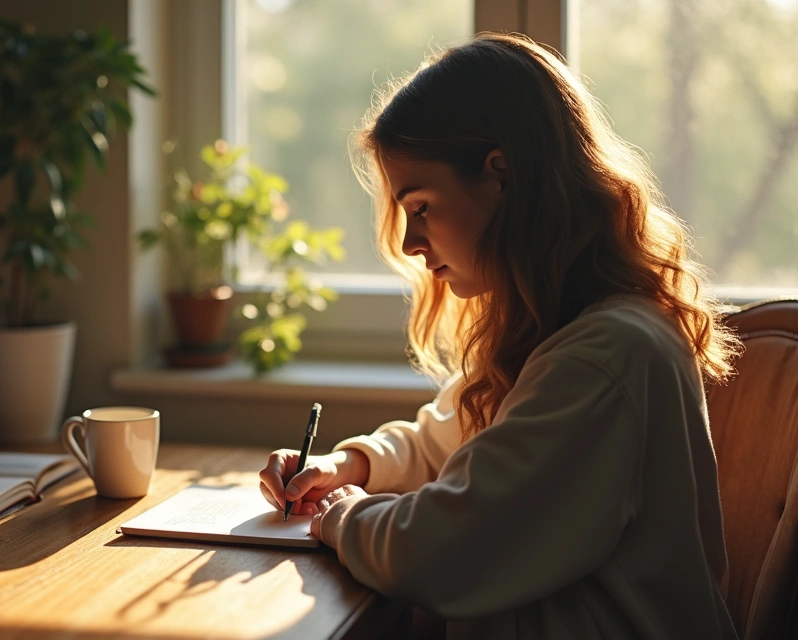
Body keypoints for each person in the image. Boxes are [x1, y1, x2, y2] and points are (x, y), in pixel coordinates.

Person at [258, 32, 742, 639]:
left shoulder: (604, 356)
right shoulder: (560, 331)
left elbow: (440, 553)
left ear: (502, 174)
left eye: (423, 206)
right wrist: (349, 465)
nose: (410, 242)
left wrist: (340, 518)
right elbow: (446, 440)